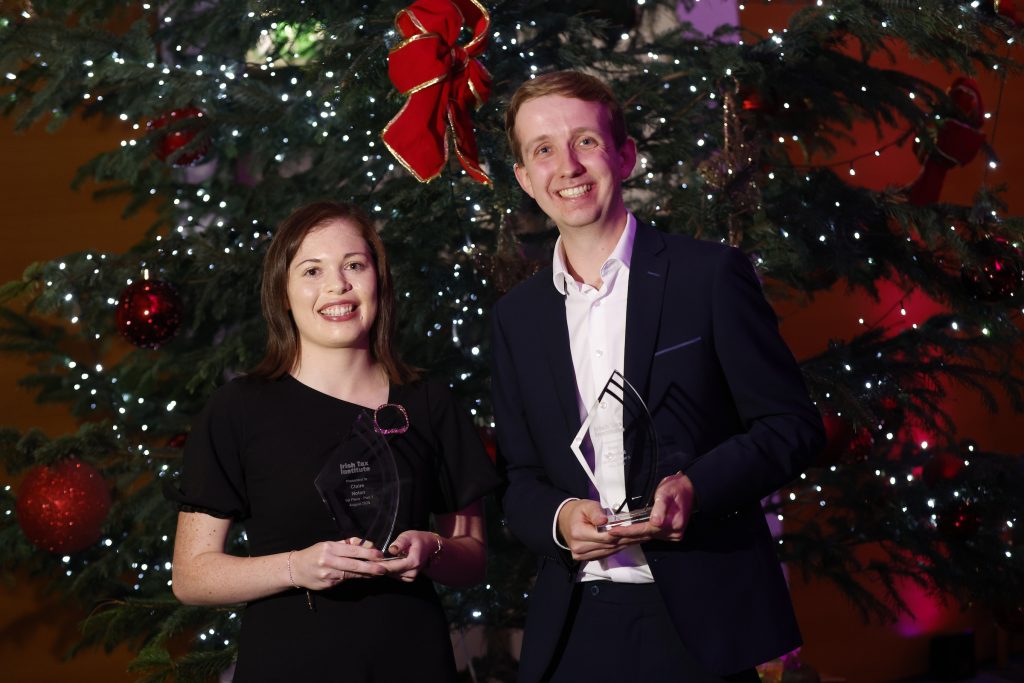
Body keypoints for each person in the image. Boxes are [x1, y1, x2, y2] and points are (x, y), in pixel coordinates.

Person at [491, 70, 825, 683]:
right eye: (542, 150)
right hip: (576, 623)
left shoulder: (709, 277)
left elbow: (791, 426)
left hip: (699, 617)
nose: (566, 165)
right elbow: (518, 480)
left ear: (625, 155)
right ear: (525, 180)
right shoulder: (516, 318)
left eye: (585, 142)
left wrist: (696, 487)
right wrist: (560, 517)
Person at [169, 201, 501, 682]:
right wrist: (295, 568)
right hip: (289, 664)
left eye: (354, 265)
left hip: (412, 660)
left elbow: (471, 559)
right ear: (282, 293)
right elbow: (192, 576)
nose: (336, 286)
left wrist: (430, 549)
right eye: (311, 270)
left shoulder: (430, 403)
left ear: (378, 280)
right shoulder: (237, 410)